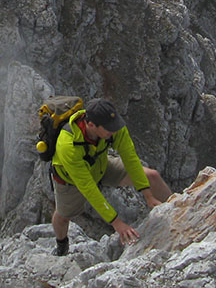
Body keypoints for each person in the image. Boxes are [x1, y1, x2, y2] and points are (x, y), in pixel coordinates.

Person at [50, 97, 173, 256]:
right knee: (63, 216)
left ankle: (176, 211)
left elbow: (130, 158)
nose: (114, 131)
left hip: (99, 165)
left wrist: (148, 195)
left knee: (152, 176)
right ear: (91, 125)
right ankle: (61, 245)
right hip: (71, 180)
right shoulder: (68, 146)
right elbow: (88, 188)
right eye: (109, 129)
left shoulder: (113, 127)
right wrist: (117, 223)